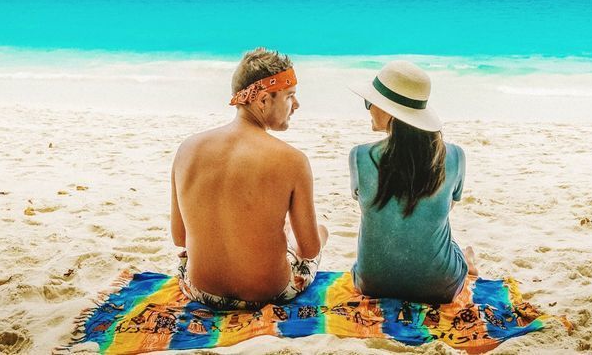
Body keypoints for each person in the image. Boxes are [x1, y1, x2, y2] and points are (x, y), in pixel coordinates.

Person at [170, 47, 328, 309]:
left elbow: (179, 238)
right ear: (263, 100)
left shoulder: (187, 148)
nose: (296, 105)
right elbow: (310, 249)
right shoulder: (293, 160)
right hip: (268, 293)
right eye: (290, 96)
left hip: (200, 290)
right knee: (319, 232)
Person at [348, 61, 477, 304]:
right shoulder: (455, 156)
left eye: (370, 103)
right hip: (441, 287)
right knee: (449, 242)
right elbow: (446, 208)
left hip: (371, 284)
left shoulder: (359, 156)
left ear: (389, 111)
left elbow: (370, 205)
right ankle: (468, 263)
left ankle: (464, 260)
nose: (368, 109)